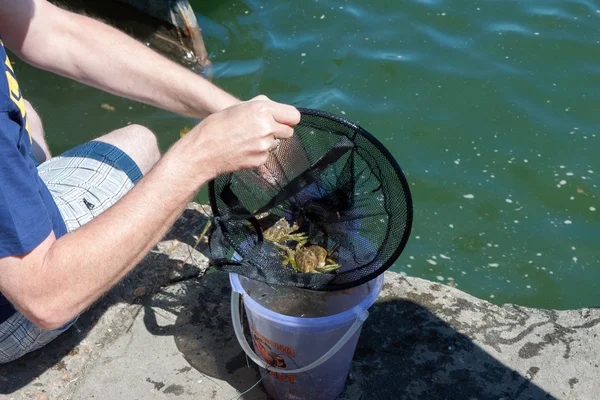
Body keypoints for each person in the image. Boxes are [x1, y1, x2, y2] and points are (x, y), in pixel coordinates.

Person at [0, 0, 300, 364]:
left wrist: (229, 109)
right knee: (138, 142)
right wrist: (201, 154)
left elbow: (52, 30)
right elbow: (44, 299)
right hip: (23, 304)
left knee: (23, 112)